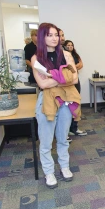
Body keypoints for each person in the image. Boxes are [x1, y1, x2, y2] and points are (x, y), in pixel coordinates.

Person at [31, 23, 78, 188]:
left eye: (56, 35)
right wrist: (63, 78)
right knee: (45, 141)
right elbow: (42, 85)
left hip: (65, 101)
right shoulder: (36, 58)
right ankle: (49, 172)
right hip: (47, 102)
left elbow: (75, 79)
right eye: (50, 35)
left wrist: (53, 78)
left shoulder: (67, 55)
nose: (54, 38)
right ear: (43, 37)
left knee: (63, 138)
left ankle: (64, 167)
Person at [64, 40, 87, 136]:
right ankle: (68, 129)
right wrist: (73, 67)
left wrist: (72, 67)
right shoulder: (63, 55)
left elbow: (81, 65)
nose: (70, 47)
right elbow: (65, 68)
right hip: (67, 83)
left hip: (76, 81)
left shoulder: (75, 55)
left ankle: (74, 127)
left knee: (77, 104)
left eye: (71, 45)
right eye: (68, 45)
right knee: (68, 106)